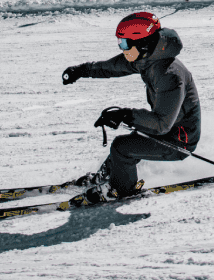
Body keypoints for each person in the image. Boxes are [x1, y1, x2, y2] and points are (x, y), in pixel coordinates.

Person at [61, 12, 201, 203]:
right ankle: (104, 178)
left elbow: (161, 124)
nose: (121, 47)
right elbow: (111, 67)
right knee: (124, 146)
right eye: (120, 42)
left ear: (143, 43)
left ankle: (120, 190)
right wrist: (81, 70)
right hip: (164, 129)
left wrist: (124, 115)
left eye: (125, 43)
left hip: (178, 140)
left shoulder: (169, 75)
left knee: (122, 147)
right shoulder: (147, 58)